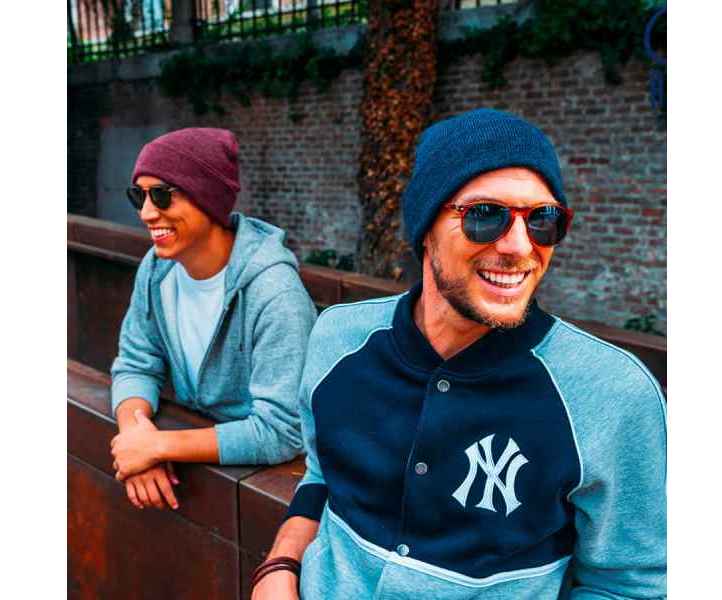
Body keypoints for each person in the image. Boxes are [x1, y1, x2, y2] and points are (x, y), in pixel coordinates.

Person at [252, 109, 666, 599]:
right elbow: (323, 473)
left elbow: (631, 585)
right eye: (485, 215)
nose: (520, 246)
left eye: (543, 219)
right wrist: (279, 565)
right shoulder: (338, 338)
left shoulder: (612, 394)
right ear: (425, 228)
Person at [109, 127, 316, 512]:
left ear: (208, 197)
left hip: (265, 494)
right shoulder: (156, 270)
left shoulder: (275, 293)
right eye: (139, 196)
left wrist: (158, 445)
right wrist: (136, 438)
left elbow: (282, 431)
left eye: (162, 195)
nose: (146, 212)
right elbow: (136, 363)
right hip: (197, 471)